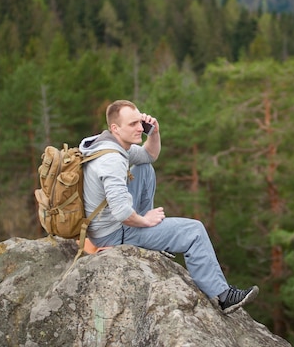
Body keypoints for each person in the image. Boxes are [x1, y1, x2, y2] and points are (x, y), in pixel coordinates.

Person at [79, 99, 258, 314]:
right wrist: (146, 221)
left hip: (103, 225)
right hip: (113, 234)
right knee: (193, 231)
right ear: (115, 128)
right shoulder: (112, 160)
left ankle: (152, 238)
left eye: (140, 122)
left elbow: (149, 156)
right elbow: (122, 213)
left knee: (144, 169)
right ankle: (224, 297)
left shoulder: (108, 145)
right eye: (132, 124)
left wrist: (153, 133)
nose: (139, 128)